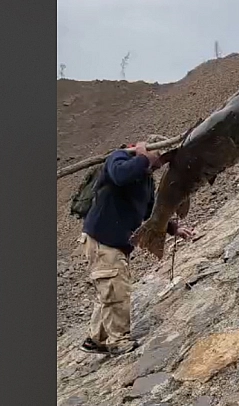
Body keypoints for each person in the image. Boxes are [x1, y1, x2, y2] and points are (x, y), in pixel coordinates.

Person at [78, 141, 193, 355]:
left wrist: (173, 229)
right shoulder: (119, 157)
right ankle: (117, 340)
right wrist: (142, 156)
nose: (160, 164)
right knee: (116, 289)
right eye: (159, 158)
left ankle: (96, 338)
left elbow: (150, 213)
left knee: (110, 287)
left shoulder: (146, 179)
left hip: (116, 242)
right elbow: (120, 176)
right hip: (102, 240)